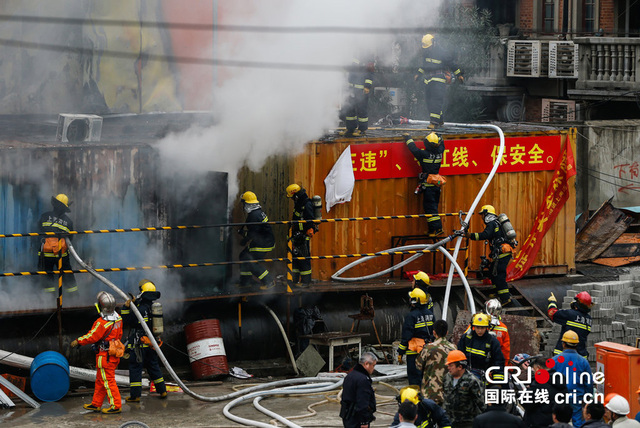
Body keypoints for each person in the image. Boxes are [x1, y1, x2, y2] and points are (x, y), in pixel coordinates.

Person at [70, 291, 123, 414]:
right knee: (100, 381)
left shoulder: (101, 323)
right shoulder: (118, 318)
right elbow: (119, 335)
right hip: (113, 353)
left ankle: (116, 405)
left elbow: (92, 336)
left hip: (105, 356)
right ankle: (96, 404)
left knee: (108, 381)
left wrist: (78, 341)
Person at [121, 279, 167, 403]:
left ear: (142, 292)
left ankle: (135, 396)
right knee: (153, 366)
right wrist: (135, 304)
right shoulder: (154, 307)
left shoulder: (140, 309)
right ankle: (162, 390)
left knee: (135, 368)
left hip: (139, 344)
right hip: (151, 343)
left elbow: (127, 320)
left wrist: (125, 307)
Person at [466, 205, 514, 306]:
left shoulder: (492, 223)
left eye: (483, 214)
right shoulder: (497, 223)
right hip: (501, 252)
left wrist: (471, 235)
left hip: (502, 252)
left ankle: (505, 298)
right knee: (493, 271)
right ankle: (497, 292)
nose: (482, 217)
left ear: (487, 214)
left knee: (499, 274)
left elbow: (485, 235)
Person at [414, 33, 464, 128]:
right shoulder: (426, 53)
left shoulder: (442, 53)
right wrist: (418, 74)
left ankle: (434, 122)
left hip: (439, 80)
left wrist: (459, 75)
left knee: (436, 101)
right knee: (429, 101)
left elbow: (452, 64)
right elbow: (424, 66)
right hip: (429, 80)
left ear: (434, 43)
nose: (427, 49)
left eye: (428, 47)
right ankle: (439, 120)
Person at [404, 132, 446, 237]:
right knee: (433, 207)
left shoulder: (424, 155)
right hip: (436, 185)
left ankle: (438, 229)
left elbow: (413, 148)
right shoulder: (440, 152)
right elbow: (442, 145)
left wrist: (408, 137)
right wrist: (439, 135)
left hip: (429, 186)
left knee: (430, 208)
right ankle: (432, 229)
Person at [37, 193, 78, 293]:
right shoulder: (68, 222)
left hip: (46, 254)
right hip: (61, 254)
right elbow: (70, 238)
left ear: (54, 204)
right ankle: (73, 297)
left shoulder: (44, 216)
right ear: (65, 208)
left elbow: (39, 230)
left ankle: (49, 299)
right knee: (67, 275)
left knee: (47, 276)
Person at [553, 330, 593, 428]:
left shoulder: (555, 360)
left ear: (563, 344)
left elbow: (550, 379)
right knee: (577, 422)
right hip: (577, 396)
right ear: (577, 345)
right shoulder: (583, 361)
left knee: (559, 421)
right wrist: (587, 397)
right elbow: (588, 382)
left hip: (559, 396)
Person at [237, 191, 275, 290]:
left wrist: (244, 236)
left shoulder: (253, 216)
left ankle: (269, 281)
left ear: (247, 203)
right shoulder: (257, 212)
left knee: (249, 261)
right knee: (243, 256)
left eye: (244, 203)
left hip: (263, 243)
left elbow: (252, 233)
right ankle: (246, 281)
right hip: (262, 241)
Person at [398, 288, 435, 386]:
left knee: (414, 378)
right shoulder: (431, 314)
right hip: (427, 350)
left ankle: (415, 398)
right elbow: (433, 333)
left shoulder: (411, 316)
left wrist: (400, 352)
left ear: (414, 301)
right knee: (426, 376)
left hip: (413, 352)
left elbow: (406, 336)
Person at [415, 319, 456, 406]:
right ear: (447, 332)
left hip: (430, 393)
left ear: (434, 332)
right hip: (449, 393)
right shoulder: (454, 348)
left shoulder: (428, 348)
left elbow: (418, 366)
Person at [443, 350, 484, 428]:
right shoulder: (447, 378)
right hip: (449, 421)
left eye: (451, 365)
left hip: (467, 423)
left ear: (460, 367)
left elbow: (481, 403)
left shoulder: (472, 381)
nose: (448, 368)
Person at [521, 356, 567, 428]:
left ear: (539, 368)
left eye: (534, 369)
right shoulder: (560, 381)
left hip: (538, 423)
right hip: (556, 423)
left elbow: (526, 401)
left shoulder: (540, 383)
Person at [457, 313, 505, 381]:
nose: (479, 331)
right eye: (477, 327)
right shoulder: (466, 338)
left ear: (487, 327)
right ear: (473, 326)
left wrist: (497, 382)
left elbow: (499, 362)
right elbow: (459, 357)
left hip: (485, 377)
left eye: (482, 328)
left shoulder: (492, 342)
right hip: (466, 375)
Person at [286, 184, 316, 287]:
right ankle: (294, 279)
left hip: (302, 235)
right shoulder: (299, 203)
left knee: (303, 257)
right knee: (296, 257)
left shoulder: (306, 204)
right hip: (297, 234)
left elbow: (309, 219)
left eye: (292, 197)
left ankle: (305, 282)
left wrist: (309, 229)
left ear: (296, 195)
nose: (292, 199)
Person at [547, 291, 593, 357]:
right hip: (581, 356)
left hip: (563, 355)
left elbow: (552, 313)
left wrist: (552, 302)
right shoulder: (589, 319)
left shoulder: (570, 314)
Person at [340, 351, 377, 428]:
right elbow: (362, 402)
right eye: (373, 366)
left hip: (347, 417)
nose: (373, 369)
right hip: (356, 418)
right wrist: (364, 421)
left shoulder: (350, 375)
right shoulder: (363, 380)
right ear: (366, 364)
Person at [339, 56, 374, 137]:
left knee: (361, 110)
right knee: (349, 109)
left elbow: (370, 73)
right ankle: (350, 129)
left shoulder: (366, 57)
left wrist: (367, 86)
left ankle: (362, 130)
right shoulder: (351, 55)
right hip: (350, 88)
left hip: (361, 90)